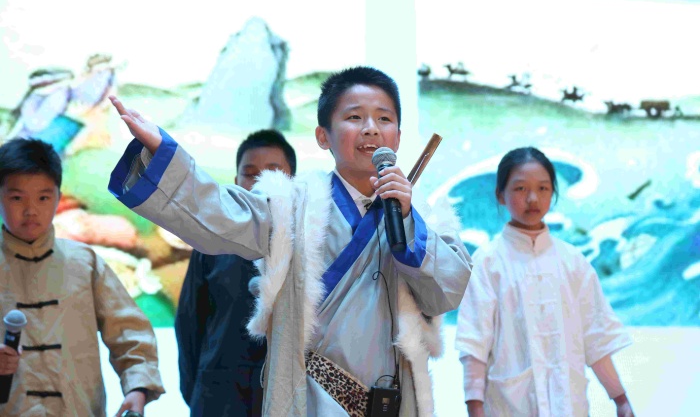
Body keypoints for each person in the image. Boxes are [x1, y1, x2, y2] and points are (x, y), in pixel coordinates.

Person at [107, 66, 472, 416]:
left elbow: (446, 293)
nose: (371, 129)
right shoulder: (291, 205)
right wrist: (163, 156)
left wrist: (406, 219)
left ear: (398, 137)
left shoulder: (424, 218)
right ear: (323, 136)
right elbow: (221, 212)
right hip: (310, 401)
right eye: (354, 117)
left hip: (390, 403)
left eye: (384, 118)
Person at [454, 147, 634, 417]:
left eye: (543, 188)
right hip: (508, 407)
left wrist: (620, 399)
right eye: (520, 188)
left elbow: (596, 338)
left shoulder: (573, 262)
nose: (532, 198)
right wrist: (474, 407)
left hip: (569, 407)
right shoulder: (487, 263)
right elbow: (474, 343)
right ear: (500, 195)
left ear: (553, 193)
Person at [0, 138, 164, 417]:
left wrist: (137, 388)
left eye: (43, 197)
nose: (31, 210)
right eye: (17, 198)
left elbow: (129, 332)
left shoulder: (84, 262)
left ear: (58, 197)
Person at [175, 129, 296, 416]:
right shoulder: (212, 241)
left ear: (293, 180)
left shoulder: (309, 242)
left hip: (287, 397)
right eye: (250, 174)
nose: (260, 182)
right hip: (218, 396)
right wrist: (197, 391)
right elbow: (189, 322)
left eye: (273, 172)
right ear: (236, 180)